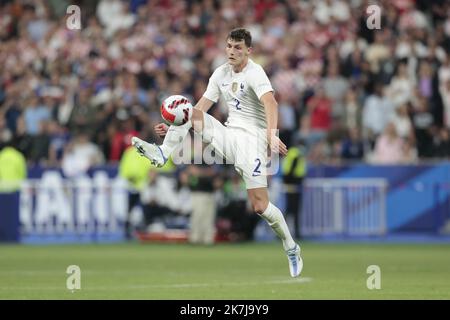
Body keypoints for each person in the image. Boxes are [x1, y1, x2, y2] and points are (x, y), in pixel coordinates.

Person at [131, 28, 303, 277]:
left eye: (238, 48)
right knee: (186, 108)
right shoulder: (220, 73)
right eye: (229, 46)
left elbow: (270, 103)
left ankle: (291, 246)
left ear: (248, 51)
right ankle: (162, 153)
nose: (232, 52)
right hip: (228, 135)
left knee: (260, 206)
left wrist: (272, 136)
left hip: (252, 143)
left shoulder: (255, 72)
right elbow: (199, 109)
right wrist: (173, 125)